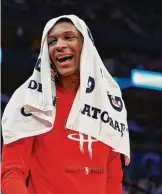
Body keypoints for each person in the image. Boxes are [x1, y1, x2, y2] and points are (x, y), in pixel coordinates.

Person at [1, 15, 129, 194]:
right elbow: (12, 173)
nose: (59, 45)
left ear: (86, 47)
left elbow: (113, 179)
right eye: (52, 41)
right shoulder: (31, 101)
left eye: (69, 37)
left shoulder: (109, 105)